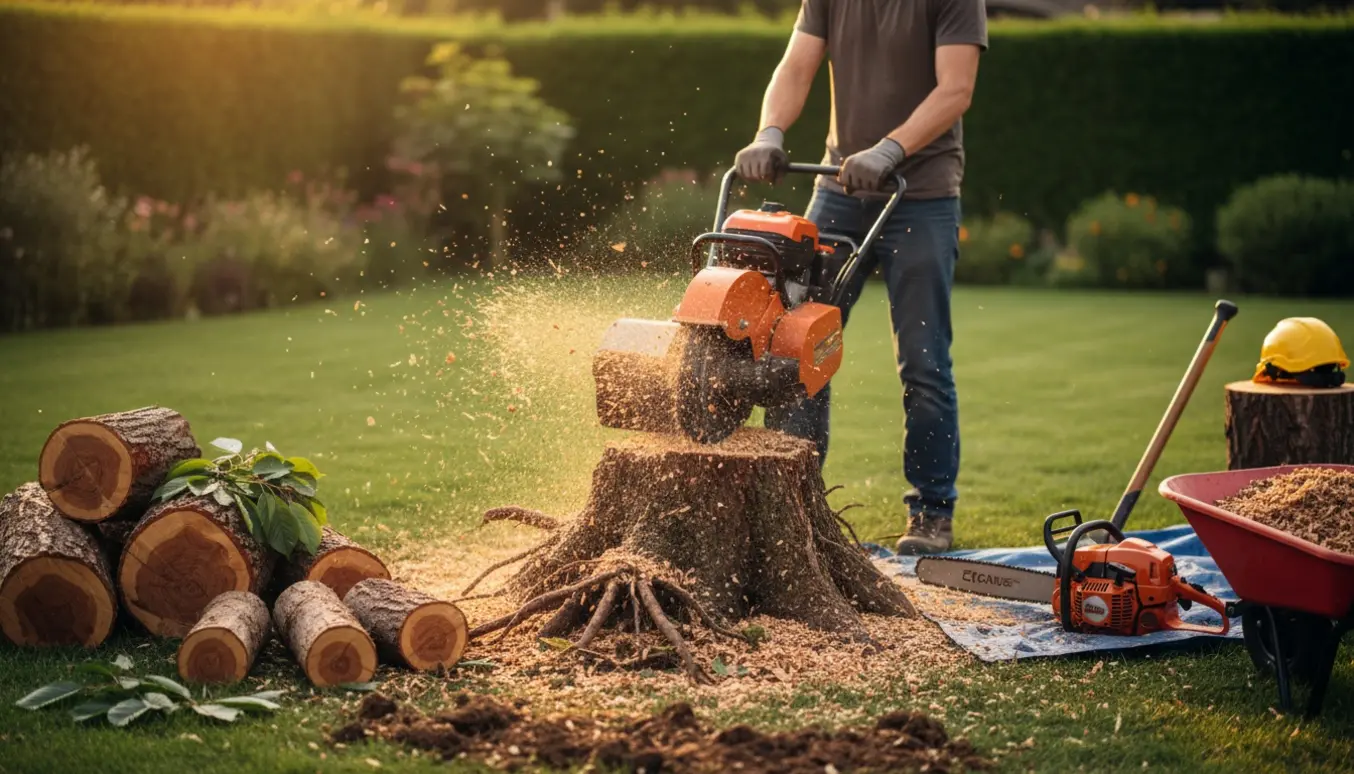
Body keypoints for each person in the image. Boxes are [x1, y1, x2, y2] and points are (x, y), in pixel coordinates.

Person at [734, 0, 987, 555]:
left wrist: (891, 149)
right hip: (839, 191)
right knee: (794, 345)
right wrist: (770, 131)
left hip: (921, 199)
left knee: (923, 361)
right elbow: (796, 65)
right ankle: (793, 505)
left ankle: (931, 512)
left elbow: (956, 89)